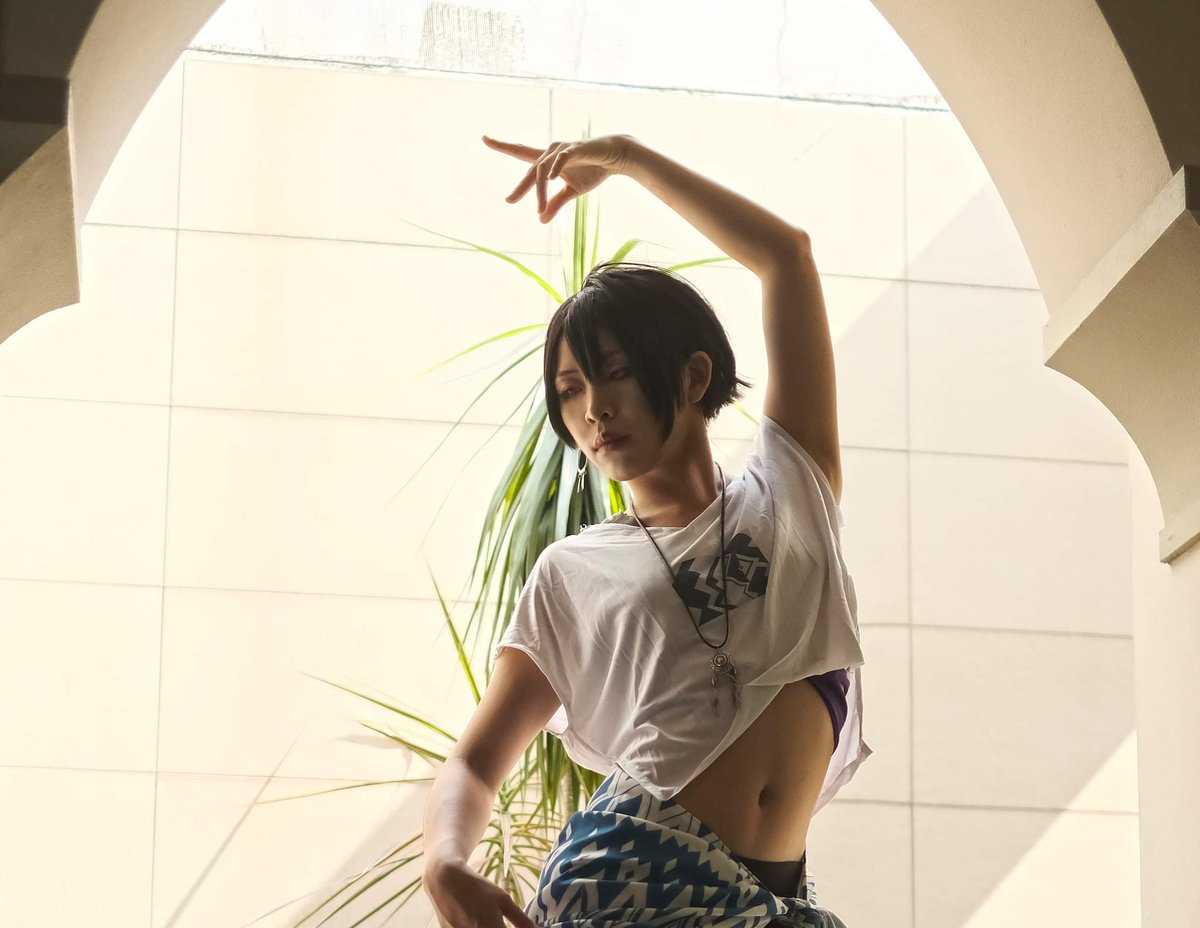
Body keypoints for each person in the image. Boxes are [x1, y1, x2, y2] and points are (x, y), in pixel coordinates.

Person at [422, 133, 870, 927]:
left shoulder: (791, 489)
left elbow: (786, 257)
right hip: (624, 882)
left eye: (617, 372)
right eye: (569, 390)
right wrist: (445, 862)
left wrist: (628, 159)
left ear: (693, 375)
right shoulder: (573, 571)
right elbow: (475, 760)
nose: (594, 408)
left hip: (768, 905)